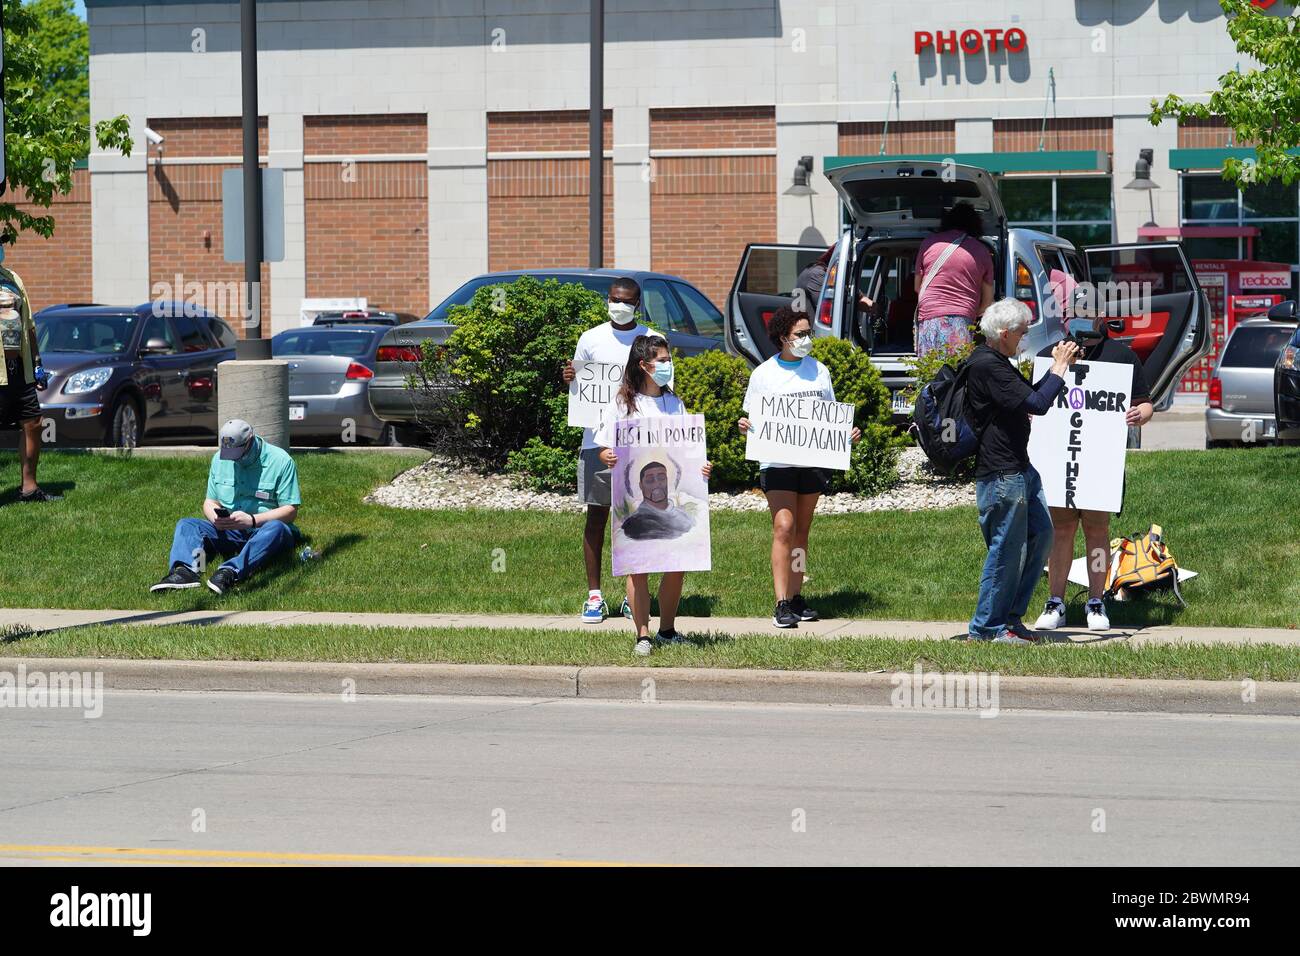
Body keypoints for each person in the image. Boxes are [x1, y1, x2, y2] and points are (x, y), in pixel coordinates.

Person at [737, 306, 860, 628]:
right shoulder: (763, 374)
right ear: (783, 338)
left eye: (809, 333)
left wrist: (846, 433)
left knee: (802, 533)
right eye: (800, 334)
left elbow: (830, 415)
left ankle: (796, 596)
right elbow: (753, 417)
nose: (807, 339)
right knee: (784, 528)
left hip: (813, 461)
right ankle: (780, 602)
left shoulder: (819, 371)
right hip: (776, 461)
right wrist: (745, 425)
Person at [966, 299, 1079, 644]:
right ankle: (986, 628)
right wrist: (1059, 368)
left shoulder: (999, 361)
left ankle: (1010, 619)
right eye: (1021, 330)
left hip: (1020, 468)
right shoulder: (986, 365)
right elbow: (1038, 405)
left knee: (1041, 535)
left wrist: (1059, 366)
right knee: (1005, 551)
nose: (1026, 335)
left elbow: (1028, 394)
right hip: (1001, 474)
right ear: (1003, 334)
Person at [1033, 316, 1154, 631]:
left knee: (1097, 531)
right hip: (1061, 457)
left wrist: (1140, 414)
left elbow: (1145, 403)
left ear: (1104, 317)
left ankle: (1096, 602)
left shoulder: (1122, 357)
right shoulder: (1050, 354)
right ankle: (1055, 602)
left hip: (1101, 460)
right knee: (1061, 529)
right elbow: (1033, 402)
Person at [594, 334, 712, 656]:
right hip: (637, 505)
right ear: (644, 365)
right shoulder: (622, 404)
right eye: (661, 360)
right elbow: (604, 449)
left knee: (677, 563)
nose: (667, 365)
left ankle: (668, 630)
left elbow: (687, 451)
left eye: (668, 359)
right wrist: (609, 458)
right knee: (639, 565)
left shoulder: (675, 403)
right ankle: (643, 634)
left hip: (672, 504)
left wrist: (701, 469)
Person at [562, 277, 659, 624]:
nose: (620, 306)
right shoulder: (590, 338)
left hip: (638, 444)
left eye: (627, 301)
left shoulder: (651, 341)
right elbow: (579, 383)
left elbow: (662, 388)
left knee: (636, 520)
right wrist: (570, 377)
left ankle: (635, 595)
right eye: (615, 299)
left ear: (638, 304)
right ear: (608, 299)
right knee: (596, 518)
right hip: (596, 442)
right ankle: (594, 595)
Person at [150, 420, 302, 596]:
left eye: (236, 453)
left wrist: (252, 520)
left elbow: (290, 510)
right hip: (231, 528)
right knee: (188, 525)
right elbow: (210, 501)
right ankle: (186, 572)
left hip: (265, 530)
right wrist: (215, 517)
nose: (233, 458)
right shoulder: (219, 459)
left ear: (250, 441)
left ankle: (229, 572)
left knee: (277, 528)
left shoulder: (281, 461)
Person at [0, 260, 60, 502]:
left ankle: (29, 488)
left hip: (19, 370)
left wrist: (37, 364)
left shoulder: (13, 278)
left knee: (33, 423)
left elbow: (29, 326)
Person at [913, 201, 994, 358]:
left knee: (930, 371)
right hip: (962, 318)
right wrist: (970, 311)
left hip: (929, 316)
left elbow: (918, 287)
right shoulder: (982, 251)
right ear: (975, 224)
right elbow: (987, 302)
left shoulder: (929, 243)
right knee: (955, 372)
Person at [621, 460, 696, 540]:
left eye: (661, 478)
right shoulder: (632, 525)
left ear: (667, 480)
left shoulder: (686, 518)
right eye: (650, 480)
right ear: (641, 485)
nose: (657, 483)